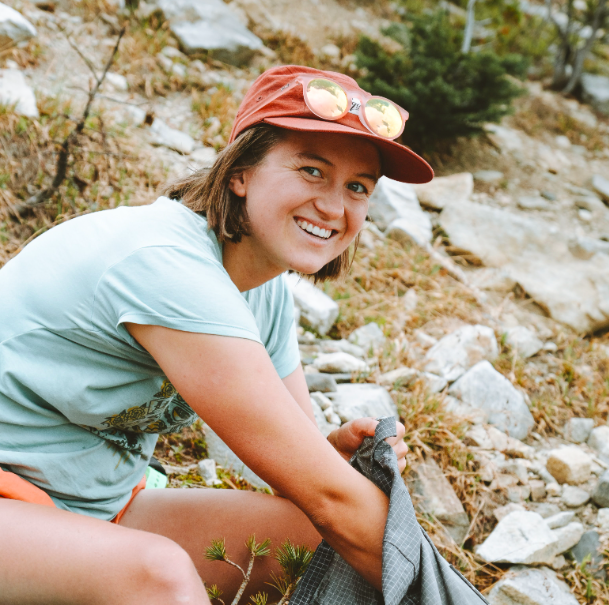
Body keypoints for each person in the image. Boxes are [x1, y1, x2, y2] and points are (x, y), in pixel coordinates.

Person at [0, 65, 433, 604]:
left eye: (357, 187)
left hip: (98, 509)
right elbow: (331, 497)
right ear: (241, 173)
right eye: (312, 171)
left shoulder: (262, 292)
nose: (333, 206)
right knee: (158, 576)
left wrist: (334, 456)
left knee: (317, 541)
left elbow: (308, 483)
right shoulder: (166, 265)